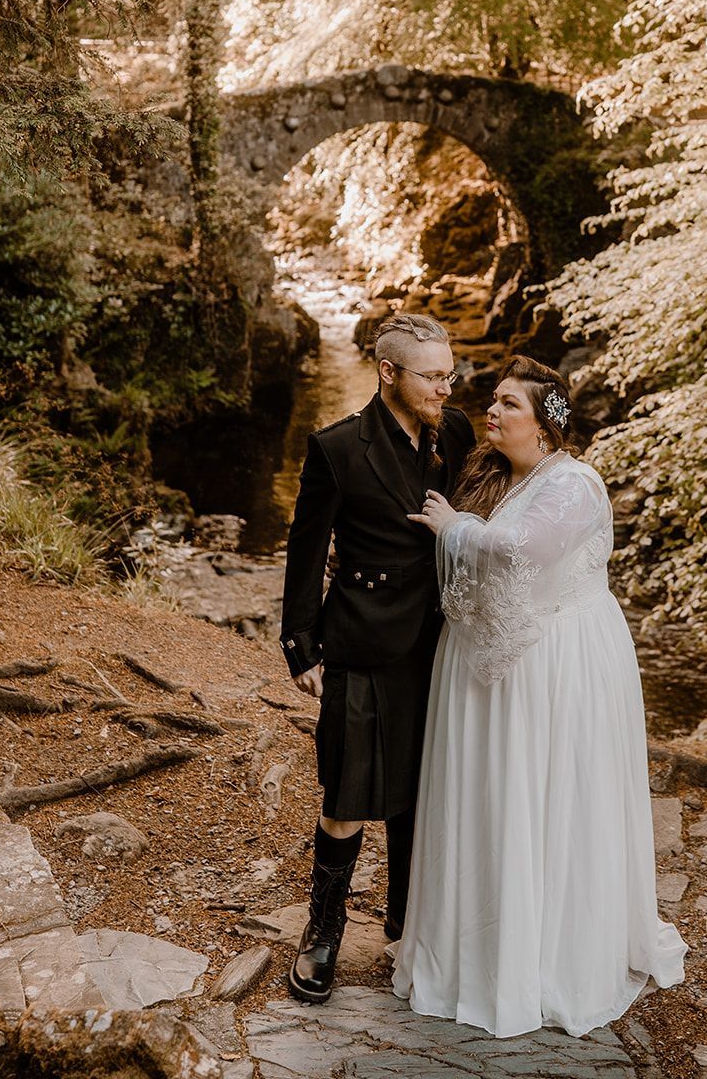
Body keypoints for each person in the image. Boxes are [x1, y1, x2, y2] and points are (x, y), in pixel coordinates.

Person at [393, 354, 686, 1039]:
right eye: (492, 401)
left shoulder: (575, 484)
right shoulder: (498, 477)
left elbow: (524, 550)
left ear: (547, 422)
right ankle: (477, 950)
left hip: (557, 662)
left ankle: (547, 956)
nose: (492, 413)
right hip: (493, 660)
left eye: (509, 405)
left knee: (546, 797)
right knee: (492, 800)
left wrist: (452, 528)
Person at [278, 313, 476, 1004]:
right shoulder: (336, 448)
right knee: (348, 793)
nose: (445, 388)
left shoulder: (456, 433)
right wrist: (300, 645)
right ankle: (324, 929)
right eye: (431, 376)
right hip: (360, 639)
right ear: (388, 371)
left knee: (422, 792)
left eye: (450, 374)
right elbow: (305, 550)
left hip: (437, 643)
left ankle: (405, 920)